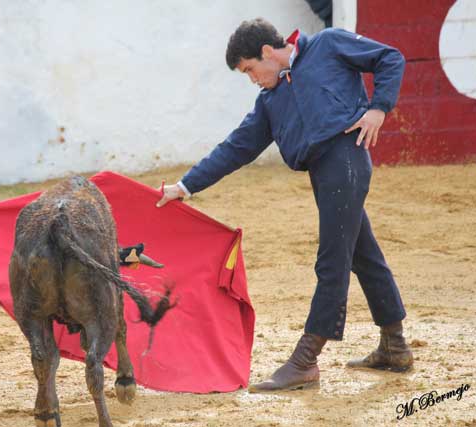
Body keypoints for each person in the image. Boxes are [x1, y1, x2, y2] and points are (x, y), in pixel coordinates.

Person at [155, 18, 413, 392]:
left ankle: (306, 360)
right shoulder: (270, 102)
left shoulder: (327, 45)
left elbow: (391, 58)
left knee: (332, 261)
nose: (253, 79)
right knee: (361, 254)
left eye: (249, 70)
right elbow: (234, 149)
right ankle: (395, 345)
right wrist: (185, 186)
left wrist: (379, 108)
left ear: (267, 52)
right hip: (324, 173)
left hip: (346, 158)